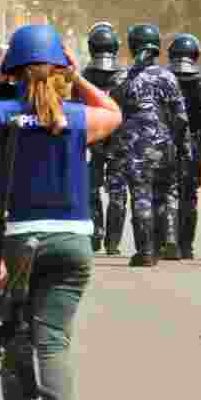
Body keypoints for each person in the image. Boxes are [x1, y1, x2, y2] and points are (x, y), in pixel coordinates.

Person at [0, 24, 121, 400]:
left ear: (14, 70)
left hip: (20, 240)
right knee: (54, 340)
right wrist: (78, 78)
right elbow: (114, 112)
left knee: (19, 338)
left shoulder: (1, 116)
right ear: (60, 68)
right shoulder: (79, 118)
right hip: (74, 241)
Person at [106, 23, 189, 267]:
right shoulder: (168, 76)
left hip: (134, 148)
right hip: (165, 145)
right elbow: (181, 117)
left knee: (141, 196)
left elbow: (112, 113)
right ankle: (169, 242)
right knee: (165, 194)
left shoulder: (122, 78)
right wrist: (182, 146)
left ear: (132, 47)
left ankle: (146, 251)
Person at [167, 34, 201, 260]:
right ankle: (186, 246)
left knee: (163, 193)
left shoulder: (161, 78)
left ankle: (165, 242)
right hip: (193, 147)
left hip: (163, 143)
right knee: (189, 197)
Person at [80, 23, 127, 254]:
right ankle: (113, 243)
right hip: (119, 141)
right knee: (117, 192)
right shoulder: (125, 77)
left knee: (91, 190)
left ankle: (95, 235)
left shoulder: (83, 77)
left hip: (92, 139)